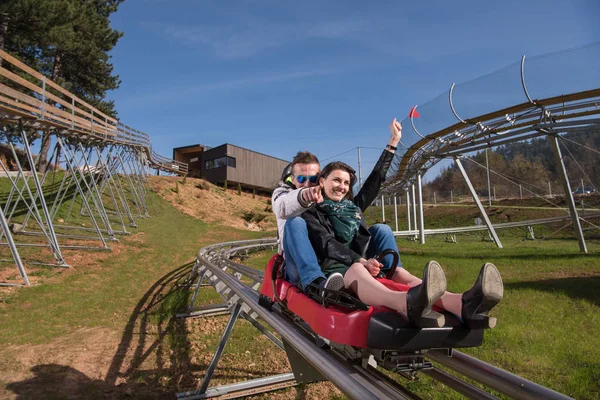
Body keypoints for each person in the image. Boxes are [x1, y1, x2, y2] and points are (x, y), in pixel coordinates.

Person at [300, 119, 504, 329]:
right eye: (336, 180)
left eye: (345, 183)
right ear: (322, 181)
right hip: (337, 271)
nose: (342, 187)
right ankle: (407, 303)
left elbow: (376, 180)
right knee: (358, 271)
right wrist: (360, 261)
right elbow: (326, 244)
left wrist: (393, 142)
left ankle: (462, 304)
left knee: (398, 273)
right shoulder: (310, 211)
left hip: (361, 264)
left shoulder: (352, 208)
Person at [272, 151, 345, 296]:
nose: (307, 184)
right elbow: (282, 206)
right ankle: (315, 284)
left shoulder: (326, 195)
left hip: (326, 259)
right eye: (301, 178)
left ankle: (391, 275)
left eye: (313, 178)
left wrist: (391, 146)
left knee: (380, 230)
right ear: (292, 180)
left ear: (320, 179)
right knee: (295, 222)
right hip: (297, 265)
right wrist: (305, 195)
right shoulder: (282, 193)